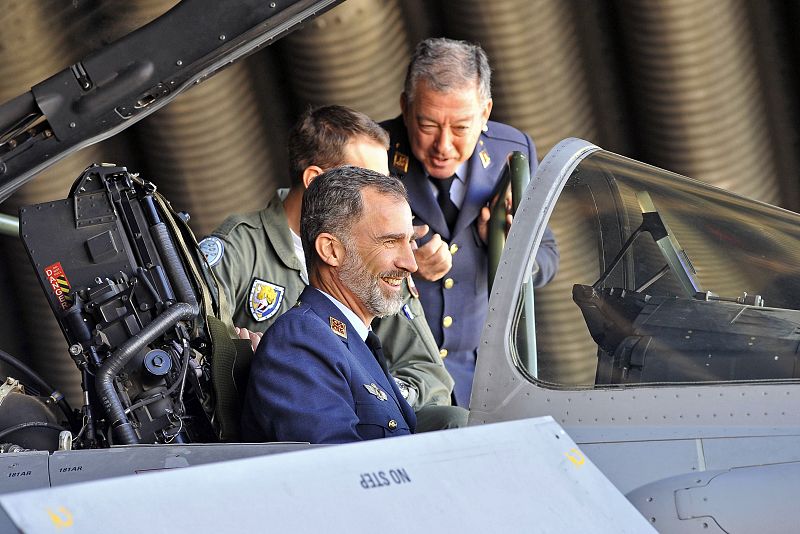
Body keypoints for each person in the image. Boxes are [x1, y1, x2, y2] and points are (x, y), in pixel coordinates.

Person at [200, 105, 467, 431]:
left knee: (457, 422)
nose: (384, 193)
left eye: (385, 180)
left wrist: (367, 393)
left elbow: (429, 372)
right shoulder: (240, 247)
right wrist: (244, 358)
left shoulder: (383, 254)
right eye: (365, 178)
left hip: (370, 417)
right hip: (268, 427)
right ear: (315, 181)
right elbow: (199, 355)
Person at [381, 37, 560, 406]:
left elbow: (548, 257)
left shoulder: (513, 153)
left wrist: (512, 252)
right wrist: (401, 266)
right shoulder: (371, 153)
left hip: (482, 381)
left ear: (485, 113)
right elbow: (330, 267)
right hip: (394, 377)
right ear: (405, 107)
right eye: (428, 124)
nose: (443, 146)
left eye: (461, 127)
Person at [240, 166, 418, 443]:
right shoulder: (301, 341)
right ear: (331, 250)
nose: (410, 263)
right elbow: (336, 474)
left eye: (410, 242)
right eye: (390, 242)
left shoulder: (347, 337)